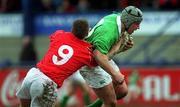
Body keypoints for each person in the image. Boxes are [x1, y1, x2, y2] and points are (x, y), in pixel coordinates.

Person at [16, 19, 124, 107]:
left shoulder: (59, 35)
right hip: (46, 83)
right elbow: (101, 60)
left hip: (33, 75)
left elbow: (54, 37)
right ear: (87, 33)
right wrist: (116, 48)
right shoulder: (86, 51)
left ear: (72, 29)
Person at [79, 6, 143, 107]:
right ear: (128, 21)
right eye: (136, 24)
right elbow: (98, 57)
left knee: (122, 91)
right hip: (89, 64)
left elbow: (104, 55)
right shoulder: (108, 32)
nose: (138, 27)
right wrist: (115, 74)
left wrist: (121, 47)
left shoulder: (120, 19)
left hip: (99, 57)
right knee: (111, 102)